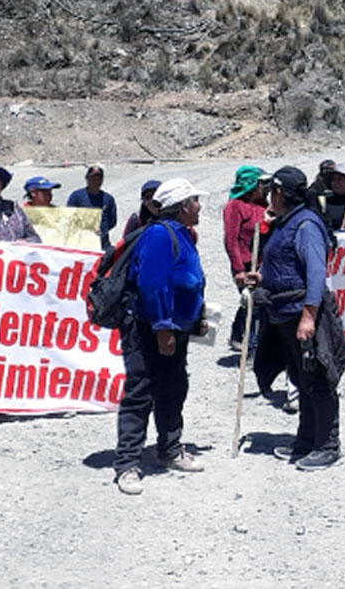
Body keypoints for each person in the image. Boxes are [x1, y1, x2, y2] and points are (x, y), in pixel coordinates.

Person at [244, 166, 345, 471]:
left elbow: (315, 273)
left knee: (317, 379)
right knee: (302, 379)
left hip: (302, 313)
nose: (266, 197)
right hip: (284, 313)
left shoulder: (305, 226)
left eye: (270, 191)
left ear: (280, 193)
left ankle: (328, 444)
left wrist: (308, 317)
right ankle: (305, 440)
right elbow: (285, 266)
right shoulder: (286, 223)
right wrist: (261, 278)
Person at [114, 178, 208, 495]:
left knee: (173, 387)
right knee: (141, 392)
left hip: (175, 328)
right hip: (150, 328)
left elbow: (188, 281)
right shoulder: (158, 235)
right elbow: (153, 286)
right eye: (195, 200)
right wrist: (163, 328)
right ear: (183, 207)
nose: (199, 206)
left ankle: (169, 449)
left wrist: (197, 317)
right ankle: (127, 464)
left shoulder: (182, 234)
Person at [224, 166, 268, 353]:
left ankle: (237, 332)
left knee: (258, 302)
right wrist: (238, 269)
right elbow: (230, 240)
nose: (265, 187)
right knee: (253, 304)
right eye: (261, 183)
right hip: (245, 263)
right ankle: (251, 347)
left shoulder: (263, 205)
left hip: (262, 262)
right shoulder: (234, 207)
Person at [66, 164, 117, 250]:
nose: (96, 181)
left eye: (99, 178)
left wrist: (102, 230)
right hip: (80, 245)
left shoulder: (108, 199)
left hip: (102, 245)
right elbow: (69, 218)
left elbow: (112, 221)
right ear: (87, 178)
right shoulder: (76, 196)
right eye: (93, 178)